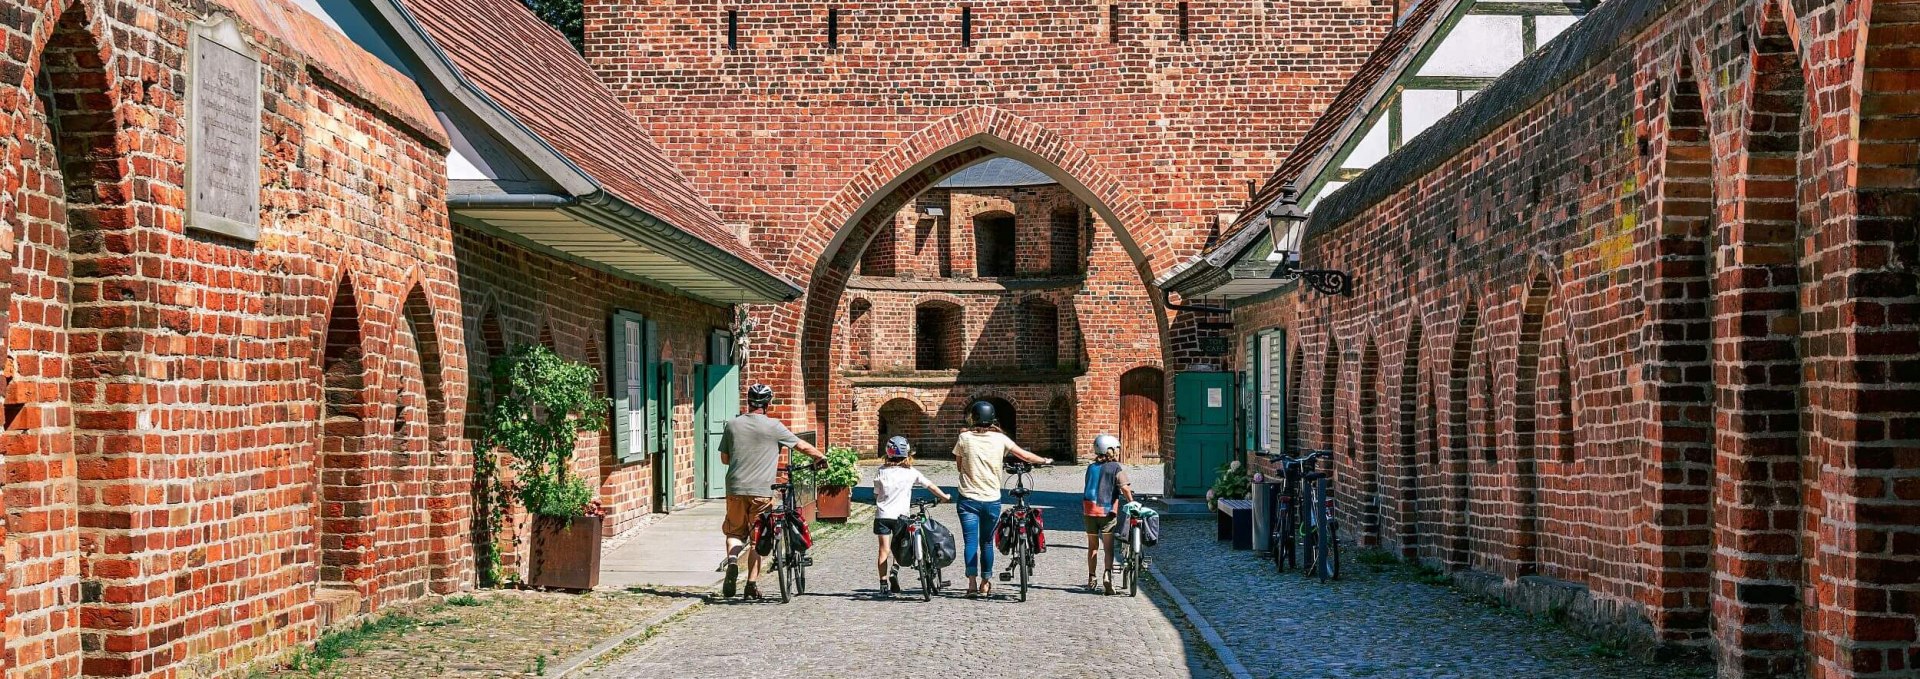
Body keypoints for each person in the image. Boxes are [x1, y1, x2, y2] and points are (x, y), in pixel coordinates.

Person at [718, 383, 826, 599]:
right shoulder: (774, 426)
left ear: (748, 402)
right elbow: (801, 446)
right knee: (758, 537)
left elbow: (725, 459)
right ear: (768, 404)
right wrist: (819, 456)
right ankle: (750, 585)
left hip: (735, 489)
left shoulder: (732, 425)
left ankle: (731, 562)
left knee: (734, 533)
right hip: (762, 491)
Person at [951, 399, 1050, 598]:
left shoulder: (964, 439)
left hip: (968, 498)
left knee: (970, 542)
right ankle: (986, 583)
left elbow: (959, 466)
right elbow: (1025, 456)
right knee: (986, 542)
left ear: (974, 418)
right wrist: (1045, 460)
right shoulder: (1000, 439)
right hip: (991, 498)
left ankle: (971, 583)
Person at [872, 436, 949, 599]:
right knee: (899, 548)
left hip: (883, 515)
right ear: (907, 454)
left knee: (883, 550)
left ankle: (883, 584)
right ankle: (895, 570)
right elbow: (930, 486)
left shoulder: (881, 471)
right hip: (901, 517)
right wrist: (944, 496)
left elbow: (876, 494)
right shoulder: (910, 472)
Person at [1081, 433, 1135, 590]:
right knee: (1108, 547)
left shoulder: (1090, 467)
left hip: (1089, 510)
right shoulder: (1116, 467)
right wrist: (1132, 502)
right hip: (1107, 511)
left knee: (1093, 546)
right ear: (1111, 450)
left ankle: (1091, 577)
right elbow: (1124, 487)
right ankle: (1107, 574)